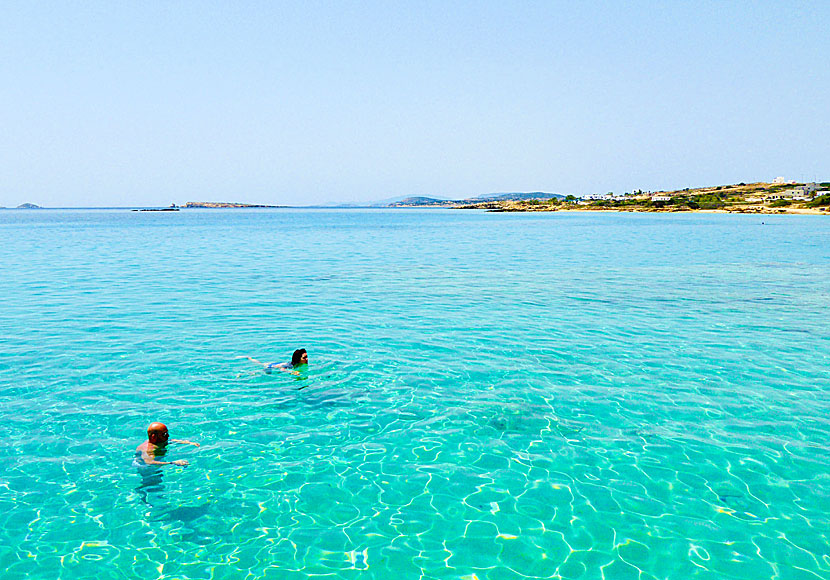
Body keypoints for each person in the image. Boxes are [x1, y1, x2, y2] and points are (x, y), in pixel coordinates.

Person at [135, 422, 199, 467]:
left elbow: (171, 441)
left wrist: (189, 443)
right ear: (153, 437)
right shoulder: (149, 449)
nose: (168, 435)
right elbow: (149, 462)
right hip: (145, 467)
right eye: (165, 434)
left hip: (157, 462)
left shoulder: (159, 441)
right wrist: (173, 463)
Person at [237, 349, 308, 376]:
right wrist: (291, 372)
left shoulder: (296, 363)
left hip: (275, 364)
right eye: (304, 358)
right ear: (298, 359)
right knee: (257, 373)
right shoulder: (291, 365)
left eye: (307, 357)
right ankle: (242, 374)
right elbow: (282, 369)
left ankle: (249, 358)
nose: (307, 359)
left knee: (260, 363)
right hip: (272, 367)